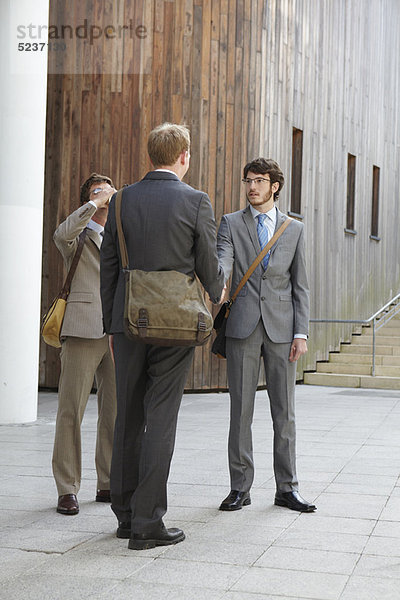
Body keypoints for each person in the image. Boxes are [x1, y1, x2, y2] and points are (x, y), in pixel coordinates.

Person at [100, 123, 224, 550]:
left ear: (150, 154)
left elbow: (109, 268)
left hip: (127, 321)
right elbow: (208, 265)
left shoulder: (121, 200)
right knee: (162, 419)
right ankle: (149, 523)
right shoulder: (195, 201)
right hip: (175, 324)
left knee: (127, 418)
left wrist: (111, 326)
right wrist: (218, 290)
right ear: (184, 156)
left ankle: (125, 515)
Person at [217, 157, 316, 513]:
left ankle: (287, 488)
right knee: (240, 411)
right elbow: (223, 262)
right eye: (247, 180)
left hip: (281, 329)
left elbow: (300, 286)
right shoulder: (229, 223)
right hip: (242, 327)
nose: (251, 187)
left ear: (275, 185)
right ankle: (240, 488)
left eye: (259, 181)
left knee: (284, 412)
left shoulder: (294, 229)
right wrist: (218, 280)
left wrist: (300, 332)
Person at [52, 173, 117, 516]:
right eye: (97, 191)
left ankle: (107, 481)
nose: (107, 195)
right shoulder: (75, 237)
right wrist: (94, 203)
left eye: (109, 190)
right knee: (70, 409)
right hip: (81, 328)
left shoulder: (120, 235)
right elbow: (60, 233)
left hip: (117, 333)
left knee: (114, 410)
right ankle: (67, 487)